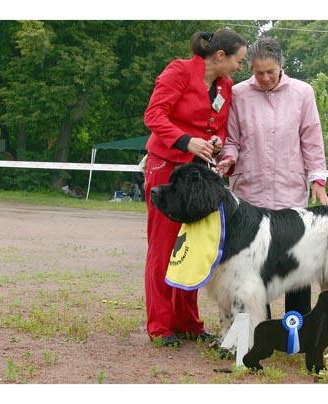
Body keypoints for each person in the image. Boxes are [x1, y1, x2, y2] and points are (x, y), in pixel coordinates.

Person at [143, 29, 247, 347]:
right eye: (239, 61)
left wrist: (214, 143)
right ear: (220, 56)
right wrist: (187, 140)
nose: (240, 67)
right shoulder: (179, 71)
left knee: (192, 248)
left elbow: (216, 127)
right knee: (163, 248)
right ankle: (160, 326)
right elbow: (153, 115)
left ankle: (188, 322)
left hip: (197, 172)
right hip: (166, 167)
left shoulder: (225, 86)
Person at [217, 37, 328, 319]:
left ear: (281, 65)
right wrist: (228, 159)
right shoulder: (239, 94)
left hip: (289, 189)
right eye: (258, 72)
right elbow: (232, 139)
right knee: (254, 262)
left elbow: (312, 139)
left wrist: (317, 179)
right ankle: (258, 326)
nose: (265, 78)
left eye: (270, 71)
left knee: (298, 256)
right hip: (250, 190)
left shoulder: (303, 92)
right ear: (251, 69)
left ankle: (299, 326)